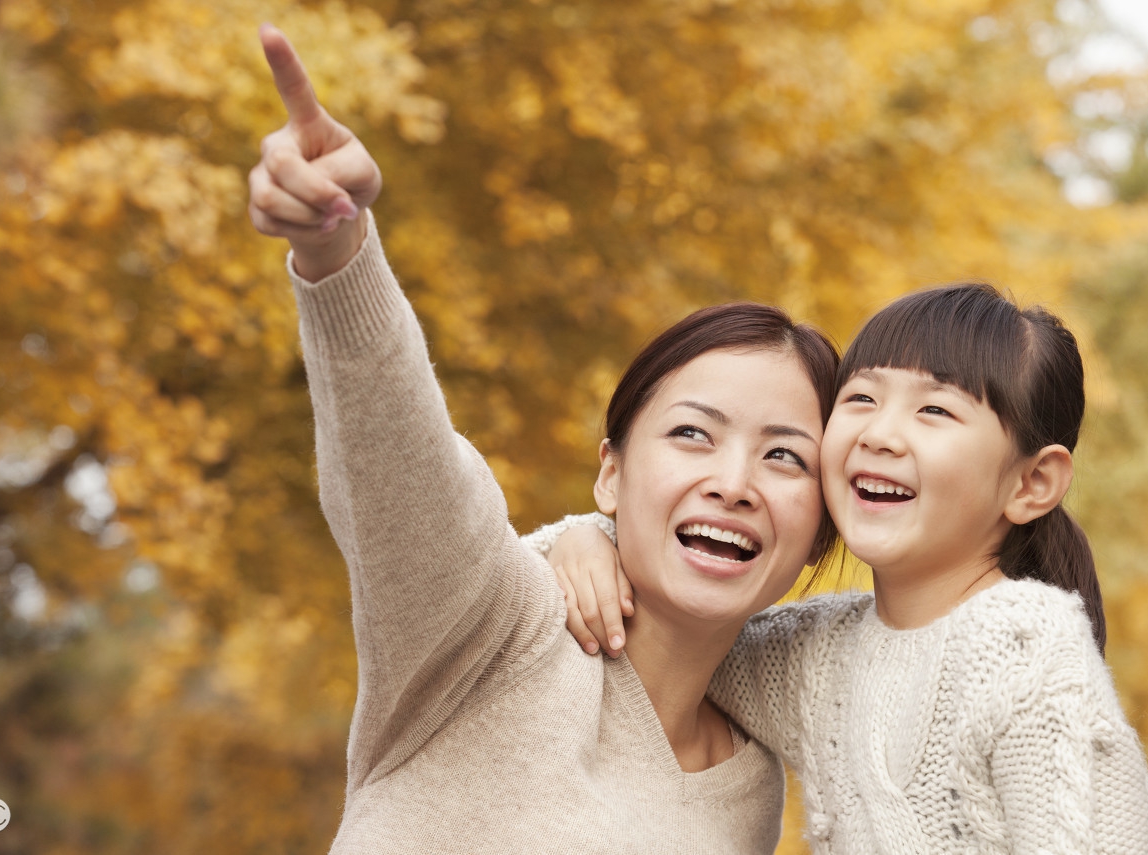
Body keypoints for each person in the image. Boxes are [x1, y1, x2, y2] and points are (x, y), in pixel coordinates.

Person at [247, 23, 846, 853]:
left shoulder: (751, 786)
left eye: (785, 455)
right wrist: (335, 249)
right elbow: (404, 467)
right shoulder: (491, 626)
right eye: (691, 434)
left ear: (822, 526)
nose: (735, 481)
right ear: (611, 474)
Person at [542, 283, 1148, 853]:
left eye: (935, 411)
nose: (880, 435)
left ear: (1032, 482)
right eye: (861, 398)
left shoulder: (1029, 652)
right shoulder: (816, 653)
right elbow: (681, 625)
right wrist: (586, 536)